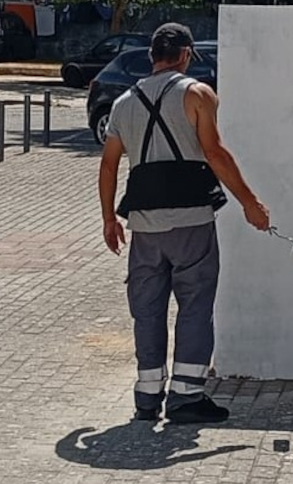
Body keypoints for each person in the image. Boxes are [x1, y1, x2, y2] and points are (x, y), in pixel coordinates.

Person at [99, 23, 270, 425]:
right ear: (187, 54)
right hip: (191, 220)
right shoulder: (197, 94)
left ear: (152, 55)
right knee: (194, 307)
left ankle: (147, 398)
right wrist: (251, 203)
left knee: (148, 310)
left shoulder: (124, 102)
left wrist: (109, 218)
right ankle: (187, 397)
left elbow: (108, 164)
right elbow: (215, 153)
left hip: (143, 223)